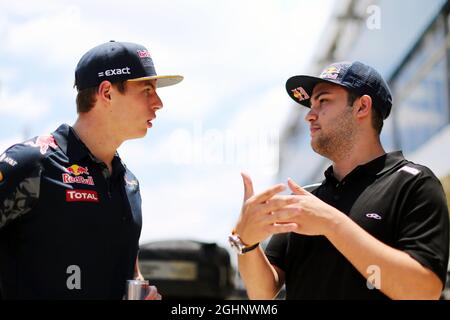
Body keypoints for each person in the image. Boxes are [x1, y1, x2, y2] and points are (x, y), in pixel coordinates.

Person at [230, 61, 449, 299]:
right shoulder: (306, 199)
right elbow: (263, 292)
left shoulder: (413, 184)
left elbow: (423, 291)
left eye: (322, 101)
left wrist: (332, 224)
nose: (309, 116)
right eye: (310, 105)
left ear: (362, 107)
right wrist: (247, 244)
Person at [0, 40, 183, 299]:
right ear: (107, 92)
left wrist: (142, 292)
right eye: (146, 90)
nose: (159, 103)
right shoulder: (32, 163)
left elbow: (130, 273)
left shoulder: (128, 183)